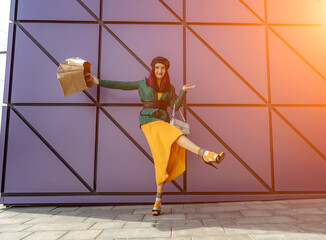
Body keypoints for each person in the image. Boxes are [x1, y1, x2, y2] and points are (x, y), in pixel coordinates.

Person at [89, 56, 225, 216]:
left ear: (166, 70)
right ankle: (205, 154)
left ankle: (158, 200)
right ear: (153, 69)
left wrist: (182, 91)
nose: (160, 70)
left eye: (163, 68)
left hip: (163, 121)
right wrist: (99, 82)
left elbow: (175, 106)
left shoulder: (170, 88)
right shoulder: (143, 83)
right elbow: (122, 85)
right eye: (157, 67)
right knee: (174, 134)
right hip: (148, 121)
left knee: (161, 159)